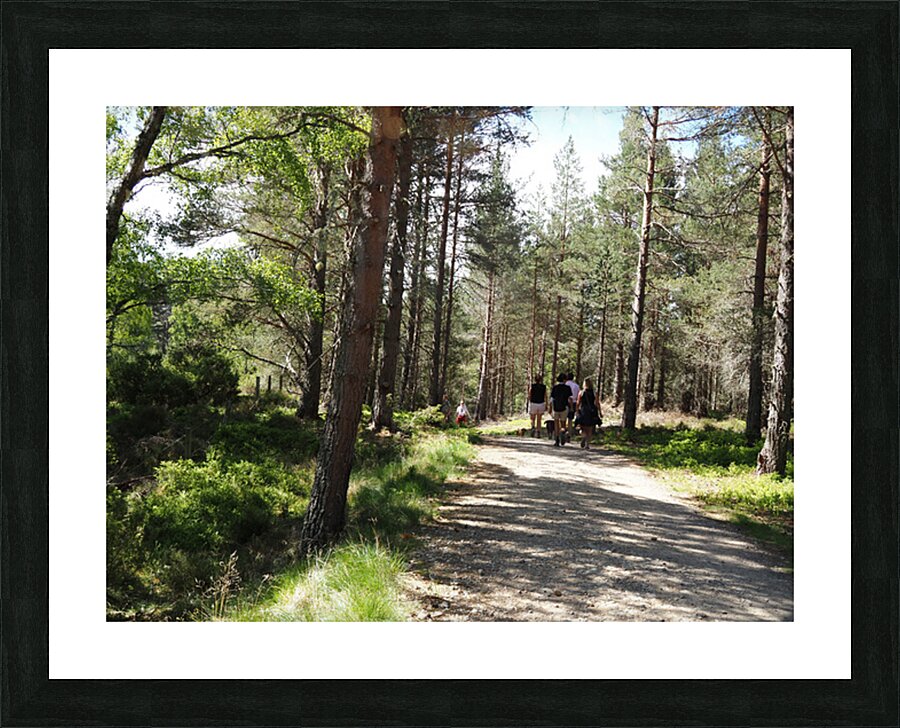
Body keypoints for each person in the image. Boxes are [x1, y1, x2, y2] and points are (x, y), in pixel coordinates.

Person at [575, 378, 602, 450]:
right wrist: (600, 412)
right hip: (591, 411)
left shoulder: (581, 392)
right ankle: (587, 444)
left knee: (582, 427)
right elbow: (597, 403)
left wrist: (577, 411)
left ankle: (583, 436)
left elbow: (578, 403)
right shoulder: (594, 393)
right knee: (590, 429)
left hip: (583, 411)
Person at [549, 373, 573, 446]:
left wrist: (550, 408)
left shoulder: (555, 387)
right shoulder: (567, 388)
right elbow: (570, 399)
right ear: (565, 379)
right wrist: (571, 408)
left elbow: (551, 399)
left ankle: (557, 439)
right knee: (563, 423)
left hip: (556, 407)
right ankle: (562, 432)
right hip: (564, 407)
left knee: (556, 423)